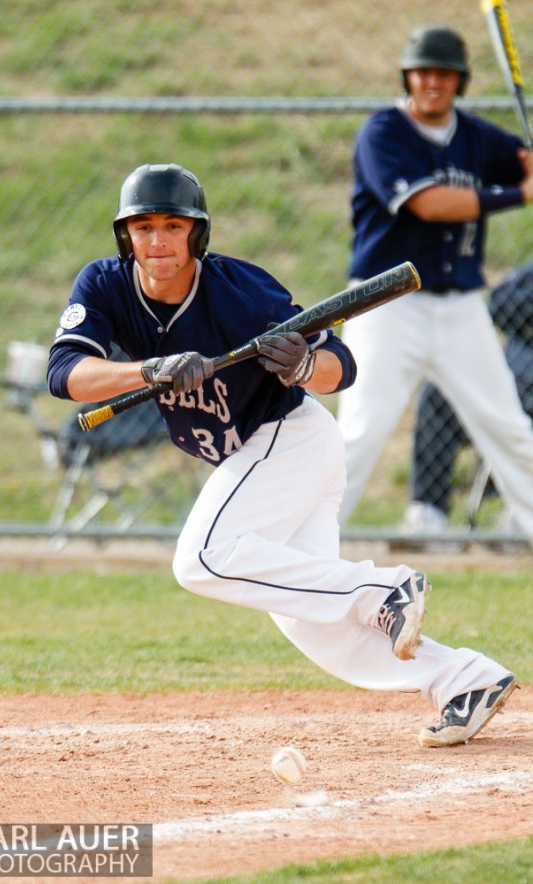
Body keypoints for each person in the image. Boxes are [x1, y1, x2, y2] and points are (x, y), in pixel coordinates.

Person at [47, 161, 517, 747]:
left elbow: (339, 366)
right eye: (144, 227)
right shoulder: (104, 284)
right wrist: (148, 369)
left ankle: (382, 591)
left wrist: (301, 364)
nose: (158, 241)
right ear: (126, 237)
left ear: (198, 234)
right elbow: (65, 373)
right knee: (317, 623)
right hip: (259, 460)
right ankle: (464, 679)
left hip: (287, 438)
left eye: (173, 226)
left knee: (202, 558)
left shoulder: (241, 293)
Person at [336, 24, 533, 546]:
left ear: (459, 81)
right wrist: (519, 193)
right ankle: (303, 545)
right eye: (423, 72)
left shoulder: (475, 137)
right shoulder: (383, 134)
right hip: (386, 306)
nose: (433, 82)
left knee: (508, 428)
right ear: (408, 76)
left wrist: (527, 165)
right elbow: (431, 204)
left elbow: (518, 160)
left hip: (461, 307)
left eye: (444, 74)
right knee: (360, 432)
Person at [405, 261, 533, 531]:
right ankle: (430, 513)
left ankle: (523, 510)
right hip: (503, 382)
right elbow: (500, 303)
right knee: (436, 394)